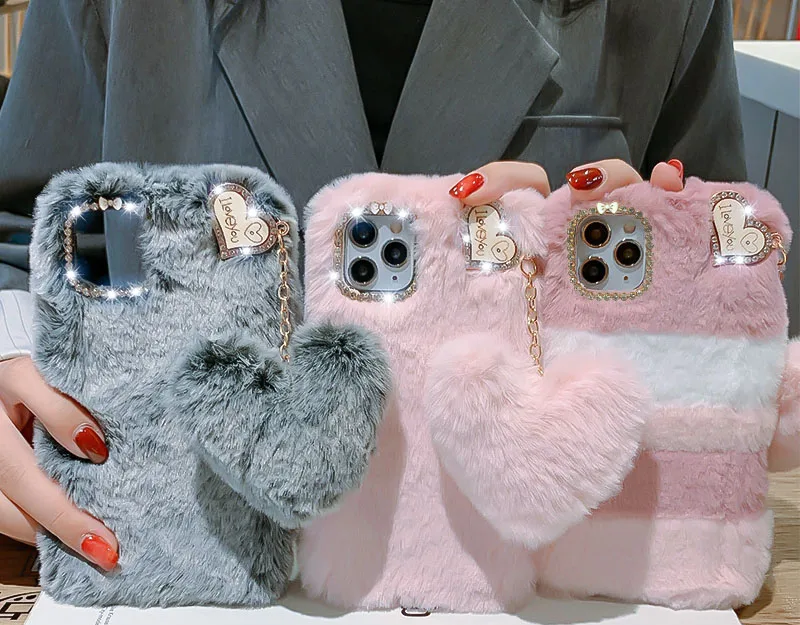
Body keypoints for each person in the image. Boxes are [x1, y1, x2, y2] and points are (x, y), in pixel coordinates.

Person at [0, 0, 746, 568]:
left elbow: (734, 274)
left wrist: (650, 289)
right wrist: (8, 346)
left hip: (533, 579)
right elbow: (18, 227)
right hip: (178, 554)